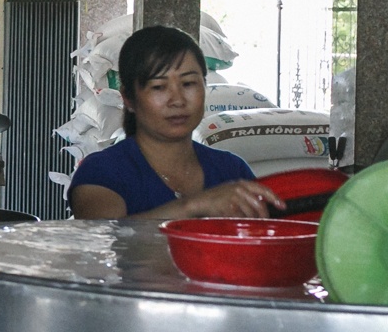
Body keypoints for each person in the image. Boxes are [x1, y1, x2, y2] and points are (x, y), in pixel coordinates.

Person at [68, 24, 283, 221]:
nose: (177, 100)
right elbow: (105, 238)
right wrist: (194, 206)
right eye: (158, 87)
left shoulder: (231, 170)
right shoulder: (102, 171)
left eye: (188, 83)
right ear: (129, 98)